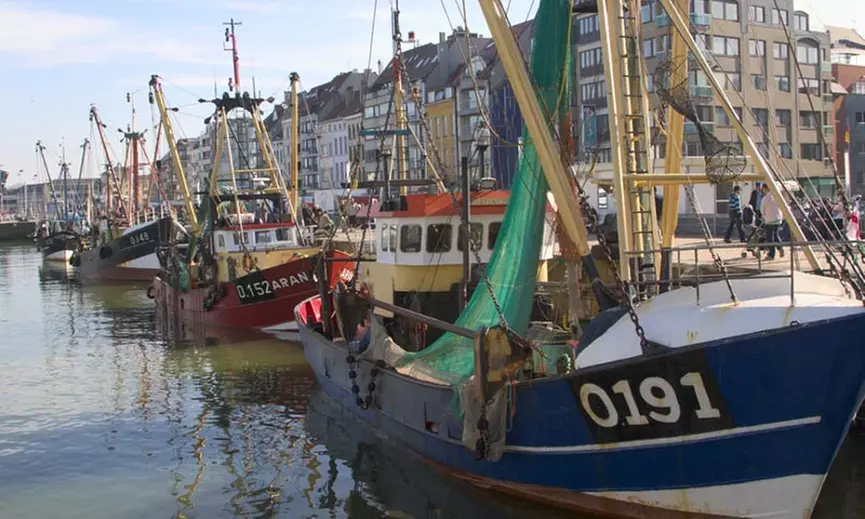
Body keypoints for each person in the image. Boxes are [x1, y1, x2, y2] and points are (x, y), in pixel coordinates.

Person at [759, 183, 784, 260]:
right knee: (776, 235)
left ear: (766, 189)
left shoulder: (765, 198)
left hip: (769, 219)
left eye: (763, 189)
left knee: (770, 237)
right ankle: (780, 248)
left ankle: (771, 254)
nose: (762, 191)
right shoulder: (777, 196)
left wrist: (763, 216)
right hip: (778, 218)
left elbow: (762, 209)